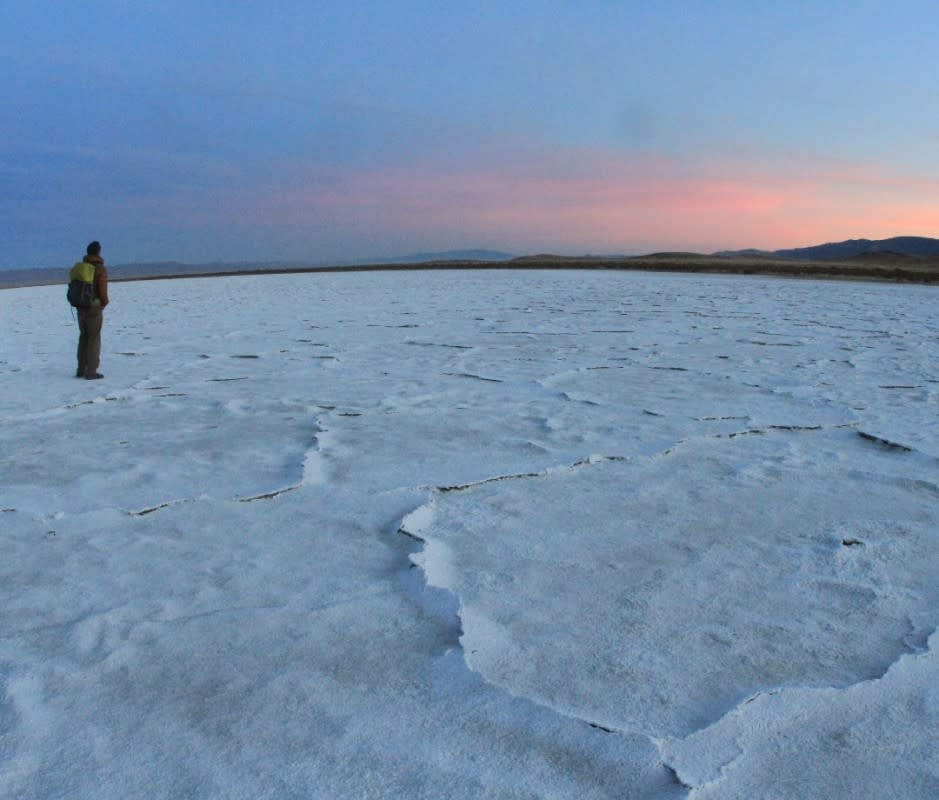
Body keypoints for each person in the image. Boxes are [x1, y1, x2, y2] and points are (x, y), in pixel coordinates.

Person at [71, 240, 109, 379]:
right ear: (98, 251)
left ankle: (81, 369)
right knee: (94, 338)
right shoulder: (99, 268)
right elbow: (102, 289)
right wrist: (104, 302)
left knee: (84, 337)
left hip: (80, 307)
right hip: (94, 307)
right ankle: (91, 371)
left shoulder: (80, 268)